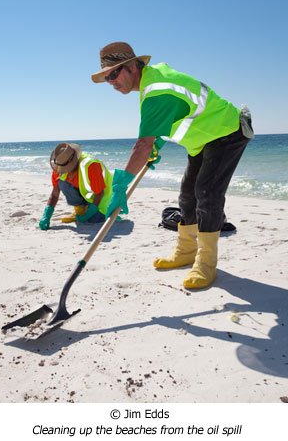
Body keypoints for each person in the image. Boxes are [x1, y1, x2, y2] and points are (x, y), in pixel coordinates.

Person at [91, 42, 253, 290]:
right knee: (187, 196)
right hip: (202, 140)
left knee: (207, 193)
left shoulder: (157, 90)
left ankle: (206, 264)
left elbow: (142, 144)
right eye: (107, 77)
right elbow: (170, 121)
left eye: (115, 73)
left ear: (134, 66)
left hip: (226, 132)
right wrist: (156, 143)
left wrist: (121, 182)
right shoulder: (151, 84)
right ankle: (186, 252)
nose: (111, 81)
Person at [39, 142, 112, 230]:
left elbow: (100, 193)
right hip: (87, 195)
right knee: (61, 182)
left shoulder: (90, 165)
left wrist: (89, 213)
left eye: (67, 168)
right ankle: (81, 209)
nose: (63, 171)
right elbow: (55, 194)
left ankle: (89, 210)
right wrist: (46, 215)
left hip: (104, 198)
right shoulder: (59, 166)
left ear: (74, 162)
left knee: (94, 220)